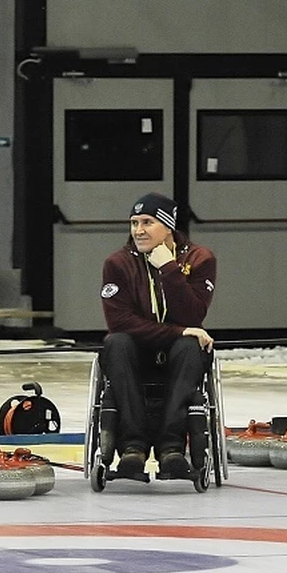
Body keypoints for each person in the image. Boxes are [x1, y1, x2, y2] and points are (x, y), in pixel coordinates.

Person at [99, 192, 216, 479]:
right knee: (116, 342)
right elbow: (119, 322)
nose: (138, 230)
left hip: (179, 356)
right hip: (135, 353)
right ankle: (132, 447)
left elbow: (192, 316)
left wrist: (168, 268)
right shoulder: (117, 263)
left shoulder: (200, 259)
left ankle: (171, 447)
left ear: (168, 226)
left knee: (191, 345)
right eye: (134, 223)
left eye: (147, 222)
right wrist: (177, 331)